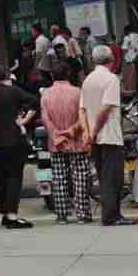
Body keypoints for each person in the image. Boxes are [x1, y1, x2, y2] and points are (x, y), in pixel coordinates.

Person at [0, 66, 39, 229]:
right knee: (14, 177)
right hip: (14, 137)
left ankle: (5, 212)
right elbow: (34, 102)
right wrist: (23, 120)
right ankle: (12, 215)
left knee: (2, 176)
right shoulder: (14, 91)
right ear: (6, 76)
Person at [81, 45, 131, 226]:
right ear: (111, 60)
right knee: (113, 178)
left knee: (104, 177)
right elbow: (106, 108)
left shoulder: (88, 80)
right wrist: (94, 131)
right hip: (109, 135)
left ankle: (111, 214)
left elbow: (82, 110)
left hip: (95, 138)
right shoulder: (111, 79)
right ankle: (111, 216)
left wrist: (87, 133)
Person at [40, 64, 95, 224]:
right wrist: (71, 130)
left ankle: (61, 215)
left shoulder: (46, 94)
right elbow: (83, 116)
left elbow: (45, 119)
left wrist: (56, 135)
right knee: (81, 178)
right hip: (77, 141)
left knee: (59, 178)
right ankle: (83, 214)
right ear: (69, 74)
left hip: (56, 143)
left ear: (52, 76)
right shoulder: (78, 92)